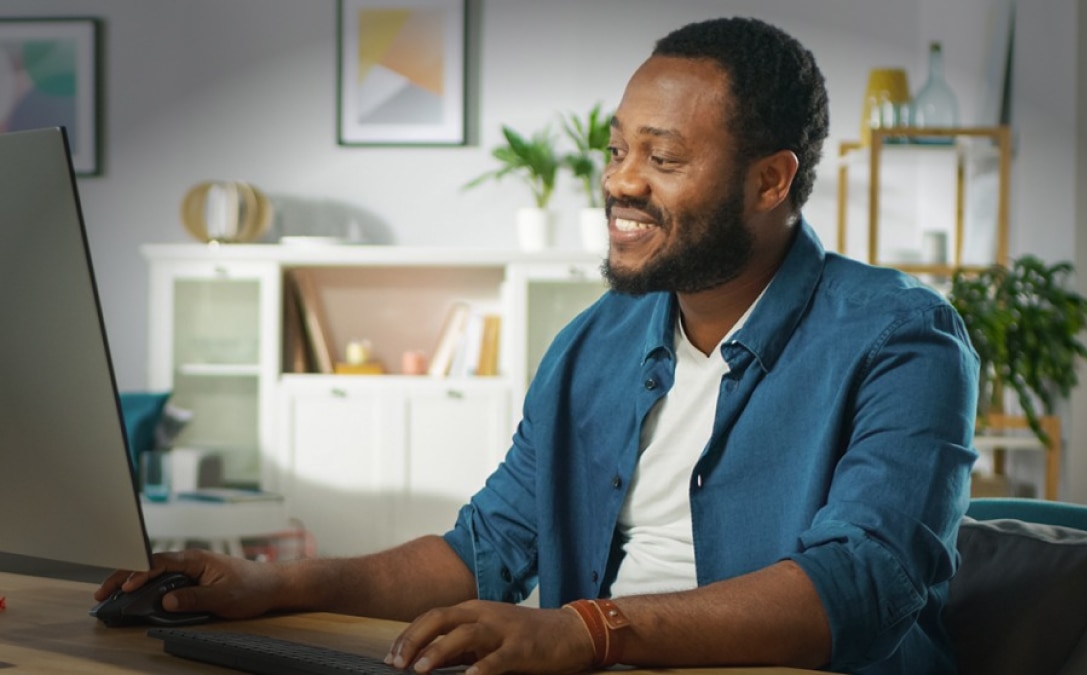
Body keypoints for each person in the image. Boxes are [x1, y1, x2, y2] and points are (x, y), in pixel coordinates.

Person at [98, 16, 978, 674]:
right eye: (618, 148)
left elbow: (864, 584)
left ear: (771, 179)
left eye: (663, 159)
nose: (621, 182)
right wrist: (271, 586)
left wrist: (587, 629)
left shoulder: (903, 337)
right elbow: (487, 546)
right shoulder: (595, 342)